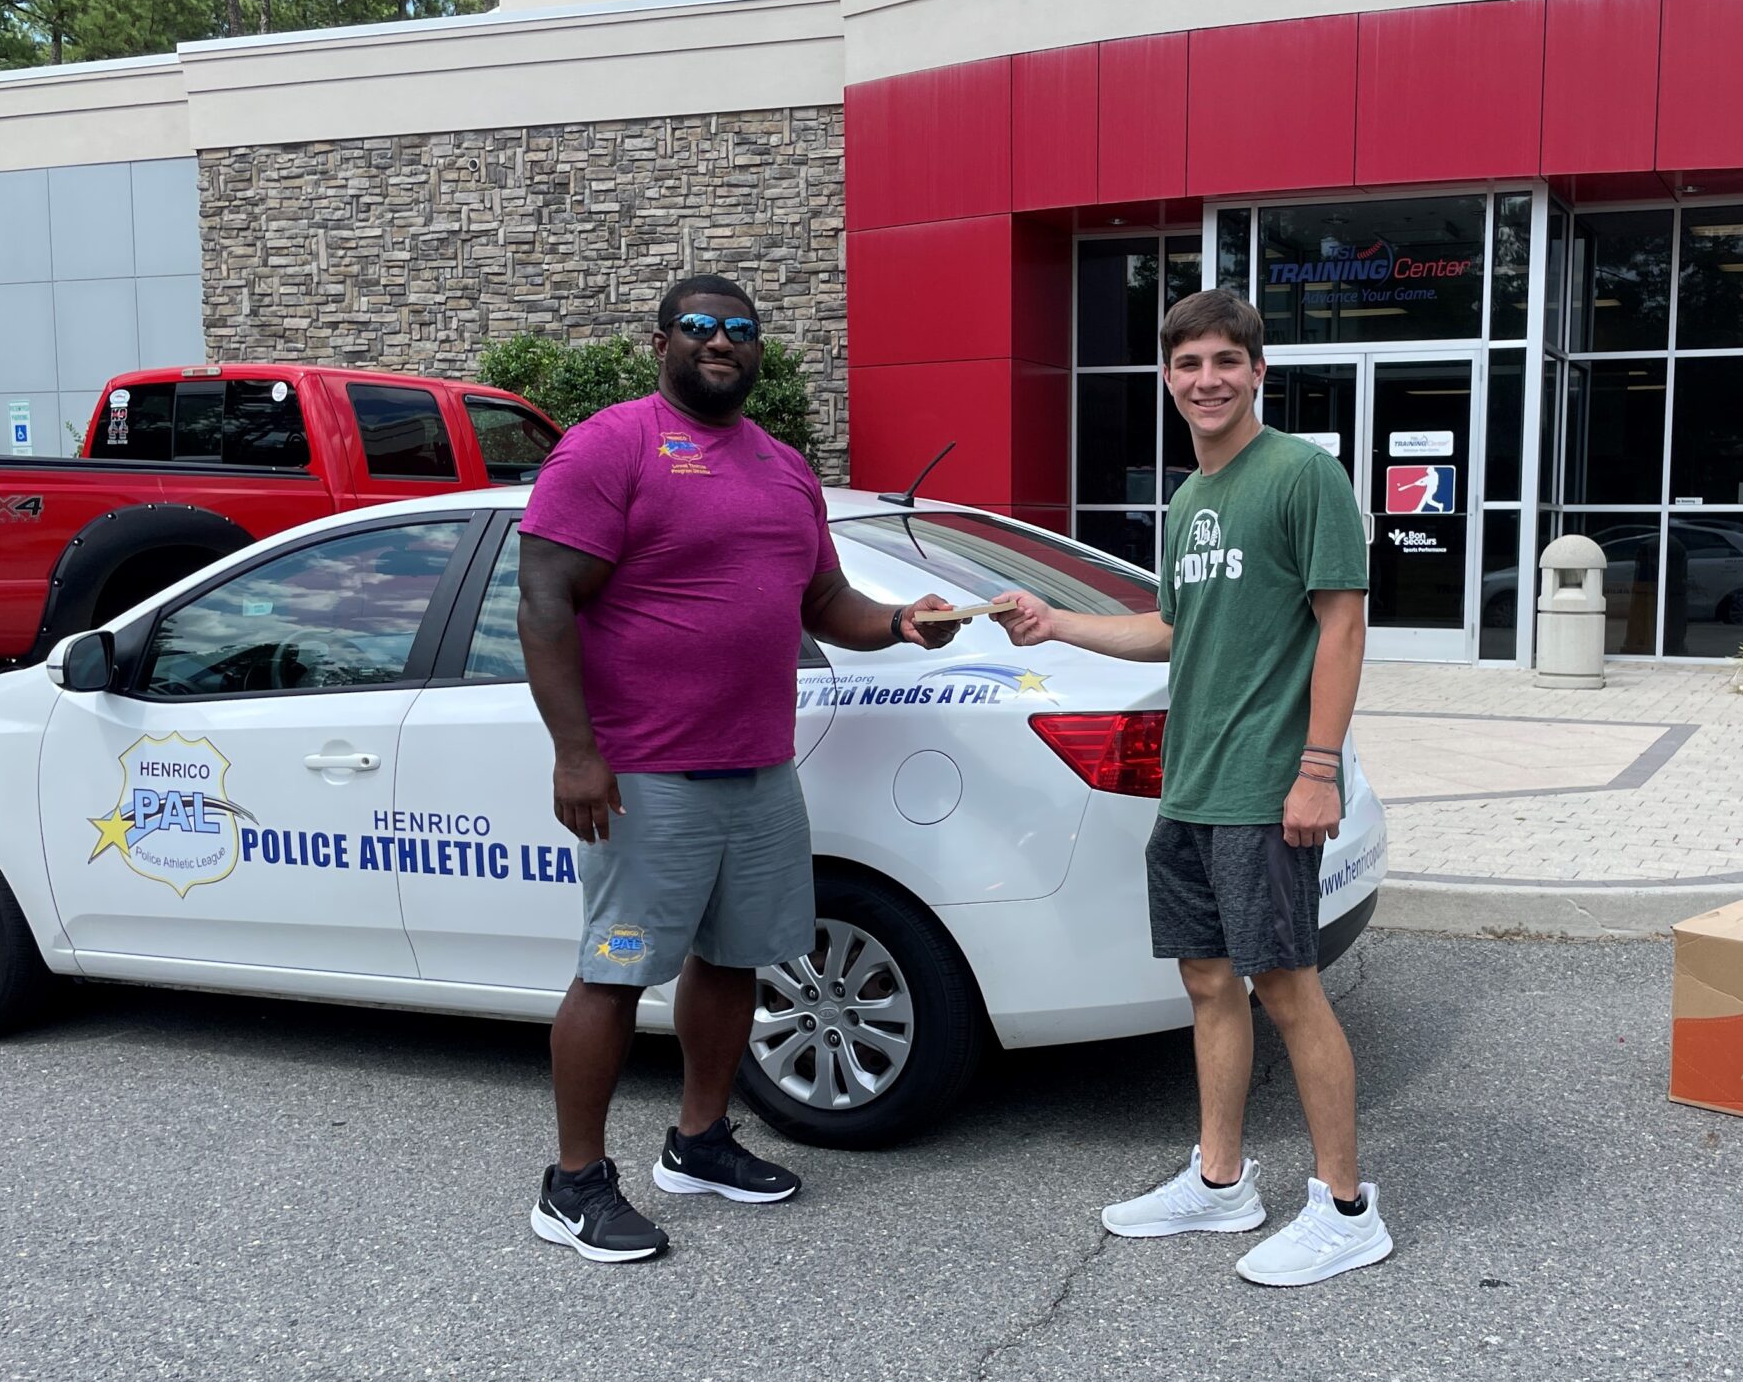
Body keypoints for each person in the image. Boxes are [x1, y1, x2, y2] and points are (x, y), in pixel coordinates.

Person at [517, 274, 961, 1264]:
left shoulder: (783, 469)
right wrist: (578, 753)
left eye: (741, 331)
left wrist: (897, 624)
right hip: (645, 770)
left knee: (734, 961)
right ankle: (573, 1184)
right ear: (662, 341)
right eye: (702, 328)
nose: (722, 343)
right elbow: (544, 598)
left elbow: (825, 601)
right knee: (615, 972)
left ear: (759, 350)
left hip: (758, 766)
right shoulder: (611, 445)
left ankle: (701, 1141)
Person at [995, 288, 1389, 1287]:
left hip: (1266, 779)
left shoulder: (1301, 476)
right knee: (1208, 983)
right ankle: (1221, 1183)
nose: (1205, 380)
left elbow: (1340, 628)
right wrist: (1056, 624)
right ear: (1166, 380)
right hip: (1193, 780)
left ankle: (1346, 1207)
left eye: (1224, 361)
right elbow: (1171, 629)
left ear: (1258, 372)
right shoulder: (1189, 500)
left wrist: (1315, 769)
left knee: (1287, 989)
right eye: (1187, 365)